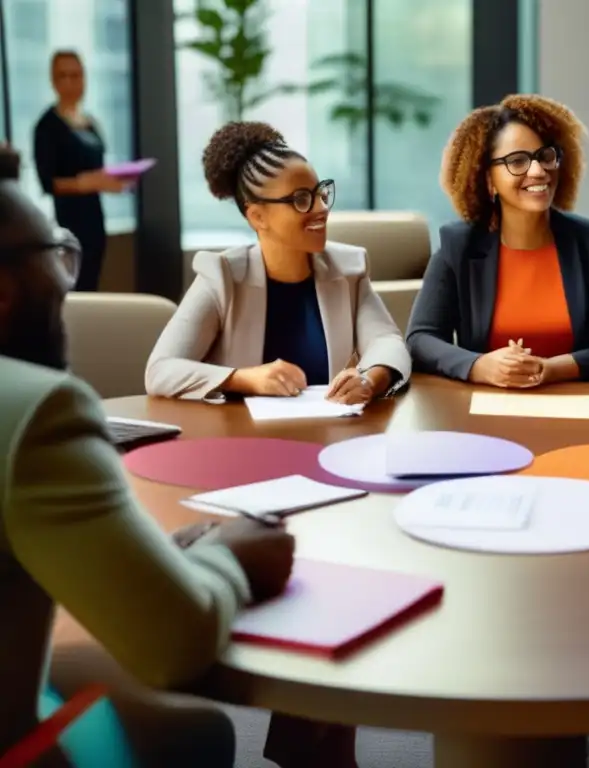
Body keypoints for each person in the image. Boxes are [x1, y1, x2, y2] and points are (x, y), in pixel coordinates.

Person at [0, 143, 296, 766]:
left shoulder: (345, 267)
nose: (64, 278)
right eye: (56, 255)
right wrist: (231, 557)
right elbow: (174, 640)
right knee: (200, 733)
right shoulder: (38, 412)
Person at [145, 121, 410, 405]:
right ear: (257, 217)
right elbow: (161, 370)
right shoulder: (221, 276)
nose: (321, 208)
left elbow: (388, 342)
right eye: (301, 199)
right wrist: (246, 378)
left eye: (320, 194)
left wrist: (370, 379)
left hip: (328, 436)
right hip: (244, 440)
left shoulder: (348, 269)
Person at [405, 94, 589, 387]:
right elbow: (421, 339)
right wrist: (478, 365)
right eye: (517, 161)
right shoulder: (459, 244)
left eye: (545, 156)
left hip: (574, 405)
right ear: (487, 180)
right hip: (485, 407)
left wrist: (549, 369)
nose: (538, 171)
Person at [33, 50, 132, 292]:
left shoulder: (89, 122)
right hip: (69, 219)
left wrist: (112, 180)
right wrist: (86, 182)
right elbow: (48, 182)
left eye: (76, 75)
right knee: (75, 284)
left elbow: (98, 167)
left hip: (94, 217)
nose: (70, 82)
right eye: (63, 76)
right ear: (53, 81)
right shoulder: (47, 127)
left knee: (93, 278)